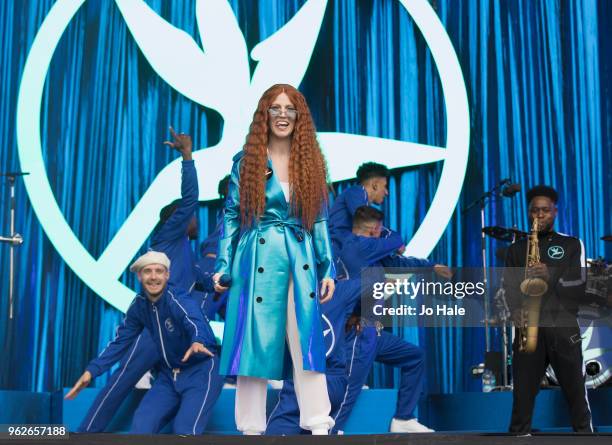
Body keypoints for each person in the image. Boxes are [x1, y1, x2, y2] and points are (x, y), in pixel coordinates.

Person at [212, 84, 336, 435]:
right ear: (264, 115)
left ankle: (318, 422)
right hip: (256, 257)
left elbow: (320, 218)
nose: (283, 115)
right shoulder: (247, 161)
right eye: (276, 108)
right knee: (253, 341)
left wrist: (328, 267)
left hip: (299, 254)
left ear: (300, 117)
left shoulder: (311, 162)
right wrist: (223, 264)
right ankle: (250, 426)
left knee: (306, 340)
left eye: (290, 109)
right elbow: (233, 215)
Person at [76, 127, 213, 433]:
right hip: (154, 328)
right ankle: (84, 434)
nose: (196, 219)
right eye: (188, 216)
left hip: (175, 336)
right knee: (122, 378)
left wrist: (215, 282)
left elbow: (196, 278)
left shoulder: (184, 251)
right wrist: (187, 158)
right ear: (175, 218)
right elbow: (190, 200)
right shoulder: (168, 235)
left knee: (146, 392)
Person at [66, 251, 219, 435]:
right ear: (139, 276)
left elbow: (193, 318)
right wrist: (92, 370)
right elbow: (120, 342)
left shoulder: (176, 298)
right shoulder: (139, 306)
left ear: (167, 275)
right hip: (169, 377)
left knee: (185, 431)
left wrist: (198, 340)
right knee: (141, 427)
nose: (153, 277)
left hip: (201, 372)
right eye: (147, 271)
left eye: (159, 271)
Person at [332, 206, 450, 433]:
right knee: (348, 391)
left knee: (414, 357)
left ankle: (403, 418)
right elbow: (397, 240)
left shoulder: (373, 253)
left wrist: (431, 265)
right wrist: (391, 237)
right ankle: (332, 433)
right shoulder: (358, 246)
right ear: (376, 229)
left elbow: (401, 263)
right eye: (380, 229)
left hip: (372, 333)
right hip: (357, 333)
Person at [504, 185, 592, 434]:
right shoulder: (516, 249)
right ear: (528, 212)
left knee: (576, 395)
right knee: (522, 399)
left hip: (562, 328)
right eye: (534, 211)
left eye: (544, 210)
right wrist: (514, 311)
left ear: (554, 212)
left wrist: (549, 274)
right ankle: (520, 436)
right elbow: (508, 287)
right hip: (528, 329)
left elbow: (579, 285)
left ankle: (586, 438)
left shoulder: (572, 244)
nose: (539, 215)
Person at [329, 162, 390, 252]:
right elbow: (367, 221)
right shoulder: (356, 192)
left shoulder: (356, 197)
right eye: (385, 186)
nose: (386, 192)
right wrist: (392, 238)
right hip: (337, 253)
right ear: (375, 185)